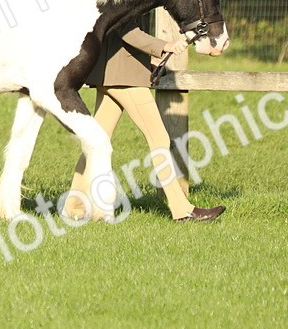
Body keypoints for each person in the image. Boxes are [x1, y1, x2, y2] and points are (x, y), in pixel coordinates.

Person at [66, 15, 226, 223]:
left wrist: (149, 57)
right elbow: (126, 29)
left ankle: (74, 207)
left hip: (112, 70)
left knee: (96, 142)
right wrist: (164, 45)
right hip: (124, 76)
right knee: (159, 138)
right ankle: (182, 210)